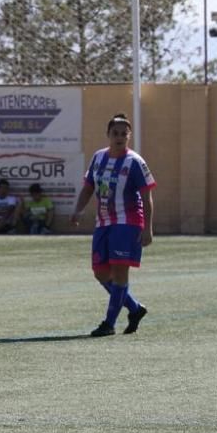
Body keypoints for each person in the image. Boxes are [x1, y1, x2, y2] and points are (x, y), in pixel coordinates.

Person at [70, 113, 155, 337]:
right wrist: (78, 209)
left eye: (123, 134)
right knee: (100, 273)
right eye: (115, 133)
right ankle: (135, 309)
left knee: (119, 272)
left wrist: (147, 228)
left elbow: (147, 197)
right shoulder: (98, 158)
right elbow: (88, 187)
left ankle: (109, 324)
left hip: (128, 222)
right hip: (103, 223)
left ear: (129, 136)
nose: (119, 137)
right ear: (108, 134)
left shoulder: (135, 162)